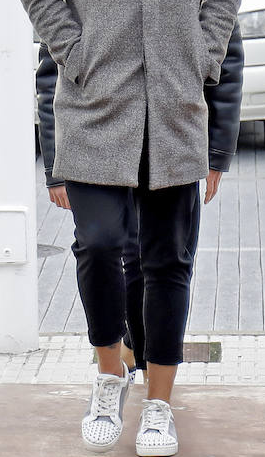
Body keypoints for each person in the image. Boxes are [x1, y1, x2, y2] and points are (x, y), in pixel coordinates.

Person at [19, 0, 245, 457]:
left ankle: (159, 403)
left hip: (176, 105)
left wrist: (202, 51)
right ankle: (106, 372)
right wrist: (77, 52)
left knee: (169, 261)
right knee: (100, 244)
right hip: (95, 104)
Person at [35, 25, 245, 378]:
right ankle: (131, 356)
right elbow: (49, 75)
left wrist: (217, 151)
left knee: (167, 259)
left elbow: (228, 60)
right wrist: (56, 167)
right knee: (115, 249)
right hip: (100, 139)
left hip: (172, 139)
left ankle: (147, 365)